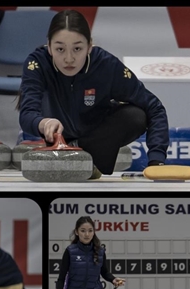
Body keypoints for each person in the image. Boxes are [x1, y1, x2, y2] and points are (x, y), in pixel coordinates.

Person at [18, 9, 170, 178]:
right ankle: (79, 161)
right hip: (58, 143)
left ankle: (87, 159)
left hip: (95, 141)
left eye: (77, 48)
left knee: (136, 116)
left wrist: (157, 161)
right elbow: (26, 114)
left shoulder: (106, 65)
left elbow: (154, 108)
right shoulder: (37, 63)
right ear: (49, 47)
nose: (69, 58)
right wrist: (43, 122)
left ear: (90, 46)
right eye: (60, 49)